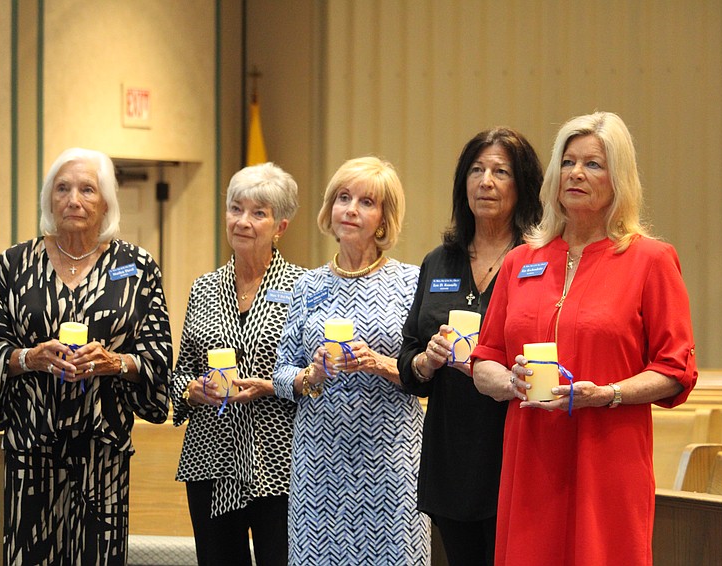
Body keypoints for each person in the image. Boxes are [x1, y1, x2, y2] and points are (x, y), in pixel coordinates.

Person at [470, 111, 698, 566]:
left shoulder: (650, 260)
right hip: (531, 459)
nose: (576, 173)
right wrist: (508, 381)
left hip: (608, 460)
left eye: (593, 164)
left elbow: (676, 370)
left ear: (620, 180)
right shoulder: (520, 261)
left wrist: (608, 393)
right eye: (568, 162)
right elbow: (485, 360)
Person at [0, 147, 172, 565]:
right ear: (49, 199)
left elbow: (158, 354)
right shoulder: (14, 265)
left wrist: (115, 363)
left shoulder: (137, 268)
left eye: (87, 190)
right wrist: (30, 358)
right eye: (62, 189)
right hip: (32, 450)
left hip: (103, 452)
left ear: (106, 202)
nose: (73, 200)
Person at [272, 156, 428, 565]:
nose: (351, 209)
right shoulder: (307, 285)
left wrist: (378, 363)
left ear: (384, 219)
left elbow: (426, 372)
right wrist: (312, 374)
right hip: (319, 461)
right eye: (343, 198)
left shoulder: (412, 282)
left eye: (366, 202)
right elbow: (282, 372)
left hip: (391, 459)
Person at [398, 128, 543, 566]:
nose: (486, 182)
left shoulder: (540, 260)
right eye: (476, 170)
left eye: (501, 172)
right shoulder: (439, 261)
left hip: (515, 445)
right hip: (450, 451)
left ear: (523, 186)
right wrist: (425, 362)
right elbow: (408, 355)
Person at [171, 162, 305, 566]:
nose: (243, 221)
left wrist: (271, 386)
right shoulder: (203, 287)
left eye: (258, 213)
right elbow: (181, 372)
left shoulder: (305, 287)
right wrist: (191, 390)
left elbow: (315, 377)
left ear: (280, 226)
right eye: (235, 209)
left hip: (279, 461)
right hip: (211, 460)